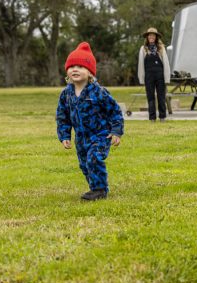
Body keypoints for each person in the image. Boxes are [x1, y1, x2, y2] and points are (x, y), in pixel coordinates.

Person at [56, 42, 124, 201]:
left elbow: (114, 111)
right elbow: (62, 116)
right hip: (81, 138)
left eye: (80, 67)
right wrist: (64, 135)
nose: (75, 69)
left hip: (100, 135)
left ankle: (100, 190)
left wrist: (116, 131)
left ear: (90, 72)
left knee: (94, 159)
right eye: (72, 66)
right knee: (84, 164)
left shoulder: (98, 92)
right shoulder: (66, 94)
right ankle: (94, 186)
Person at [137, 27, 171, 122]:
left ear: (156, 37)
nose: (151, 37)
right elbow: (141, 65)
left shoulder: (161, 48)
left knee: (161, 97)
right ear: (147, 37)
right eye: (149, 35)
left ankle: (162, 117)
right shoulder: (143, 49)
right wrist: (141, 78)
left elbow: (166, 63)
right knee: (150, 97)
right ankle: (152, 118)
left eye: (153, 35)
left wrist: (167, 78)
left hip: (160, 76)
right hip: (149, 76)